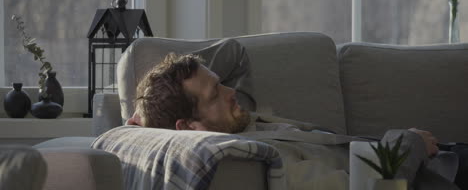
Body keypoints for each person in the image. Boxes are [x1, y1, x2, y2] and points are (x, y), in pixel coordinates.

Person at [127, 53, 460, 190]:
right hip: (435, 175)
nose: (232, 92)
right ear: (188, 128)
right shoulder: (261, 159)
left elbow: (233, 52)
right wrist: (409, 143)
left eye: (220, 82)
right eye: (215, 94)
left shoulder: (239, 120)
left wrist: (145, 112)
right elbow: (369, 187)